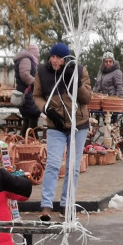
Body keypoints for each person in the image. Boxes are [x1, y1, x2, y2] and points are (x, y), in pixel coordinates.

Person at [34, 42, 92, 221]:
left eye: (58, 57)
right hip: (55, 126)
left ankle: (67, 205)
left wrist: (76, 81)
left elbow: (87, 98)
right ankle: (46, 206)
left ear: (66, 59)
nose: (54, 60)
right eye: (52, 56)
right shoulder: (42, 72)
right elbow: (37, 95)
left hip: (78, 125)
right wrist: (46, 109)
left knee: (73, 167)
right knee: (52, 164)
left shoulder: (79, 70)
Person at [12, 43, 41, 133]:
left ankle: (24, 139)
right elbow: (25, 75)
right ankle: (31, 139)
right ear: (34, 52)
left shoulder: (28, 59)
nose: (38, 55)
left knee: (28, 118)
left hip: (26, 91)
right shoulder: (26, 59)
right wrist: (37, 83)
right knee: (33, 115)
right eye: (37, 52)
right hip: (27, 92)